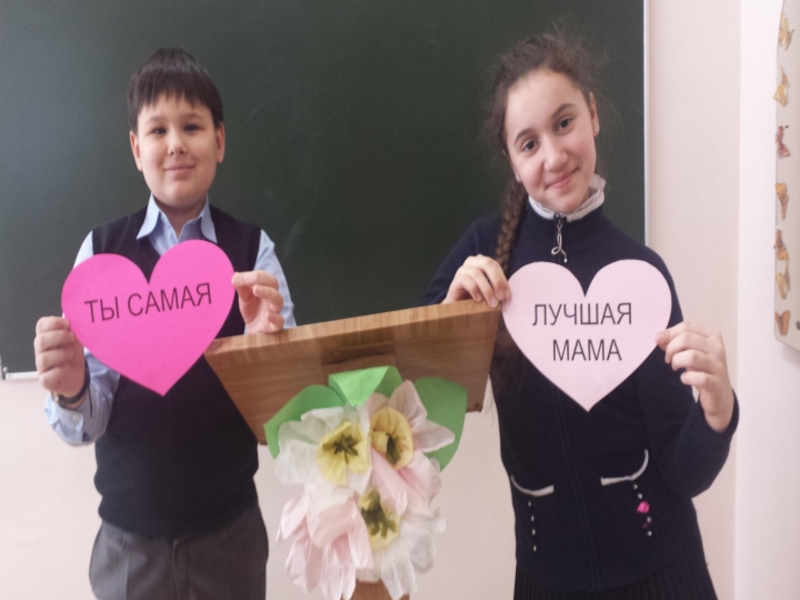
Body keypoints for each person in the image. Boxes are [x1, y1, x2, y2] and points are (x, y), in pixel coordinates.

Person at [420, 31, 738, 599]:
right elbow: (412, 388)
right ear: (511, 160)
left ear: (592, 114)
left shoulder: (641, 277)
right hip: (547, 579)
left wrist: (718, 413)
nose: (553, 156)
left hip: (663, 575)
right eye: (529, 143)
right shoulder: (485, 255)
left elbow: (684, 472)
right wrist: (451, 319)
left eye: (564, 123)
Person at [33, 48, 295, 600]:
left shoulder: (254, 255)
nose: (175, 143)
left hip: (230, 538)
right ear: (136, 149)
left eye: (192, 127)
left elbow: (283, 421)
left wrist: (261, 357)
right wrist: (73, 388)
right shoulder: (101, 257)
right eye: (157, 130)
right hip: (130, 547)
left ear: (219, 141)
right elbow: (83, 423)